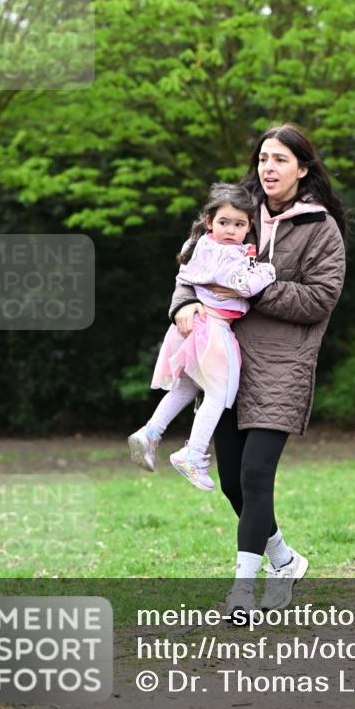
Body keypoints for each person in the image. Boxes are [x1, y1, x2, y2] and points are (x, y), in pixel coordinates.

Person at [169, 125, 346, 615]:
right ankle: (284, 561)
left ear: (303, 169)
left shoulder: (320, 228)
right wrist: (182, 306)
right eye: (264, 158)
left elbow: (320, 297)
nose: (269, 168)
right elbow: (192, 267)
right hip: (223, 362)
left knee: (254, 475)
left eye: (281, 160)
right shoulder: (235, 213)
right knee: (231, 483)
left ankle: (242, 592)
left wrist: (252, 288)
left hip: (283, 366)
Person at [128, 183, 276, 490]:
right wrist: (268, 271)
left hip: (193, 328)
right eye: (224, 222)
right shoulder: (222, 253)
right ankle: (193, 453)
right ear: (210, 222)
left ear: (249, 226)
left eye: (239, 224)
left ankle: (151, 432)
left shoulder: (201, 246)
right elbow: (246, 286)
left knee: (187, 386)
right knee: (220, 392)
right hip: (213, 328)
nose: (231, 230)